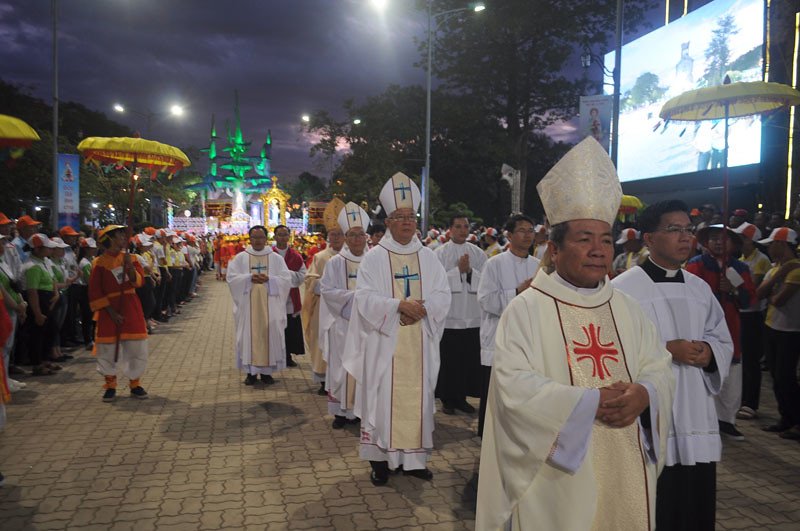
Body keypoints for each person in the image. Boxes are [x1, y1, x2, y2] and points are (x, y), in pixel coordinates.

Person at [476, 137, 674, 531]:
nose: (599, 250)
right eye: (585, 240)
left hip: (626, 461)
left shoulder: (626, 307)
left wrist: (645, 393)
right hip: (557, 475)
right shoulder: (527, 308)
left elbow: (659, 365)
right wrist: (587, 404)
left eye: (605, 239)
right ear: (554, 247)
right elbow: (513, 388)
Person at [613, 200, 734, 531]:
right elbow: (614, 350)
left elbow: (721, 339)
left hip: (696, 411)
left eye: (688, 230)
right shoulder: (623, 289)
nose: (685, 237)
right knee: (657, 508)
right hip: (653, 416)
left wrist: (708, 353)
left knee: (695, 508)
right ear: (649, 238)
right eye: (674, 229)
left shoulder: (699, 288)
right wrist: (668, 350)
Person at [342, 172, 450, 486]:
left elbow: (443, 295)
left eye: (411, 217)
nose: (406, 222)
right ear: (387, 222)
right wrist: (399, 307)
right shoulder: (374, 259)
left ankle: (413, 461)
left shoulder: (429, 258)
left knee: (417, 400)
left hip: (419, 341)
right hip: (384, 343)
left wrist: (423, 309)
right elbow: (364, 298)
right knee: (382, 399)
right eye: (399, 217)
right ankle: (379, 461)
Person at [687, 225, 756, 440]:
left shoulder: (740, 268)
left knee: (732, 375)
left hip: (732, 326)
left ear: (733, 244)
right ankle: (705, 420)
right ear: (706, 242)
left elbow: (748, 299)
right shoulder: (695, 265)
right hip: (703, 328)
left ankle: (727, 421)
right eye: (714, 238)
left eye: (723, 239)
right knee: (705, 372)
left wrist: (734, 290)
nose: (718, 242)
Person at [475, 214, 540, 438]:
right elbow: (485, 300)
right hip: (499, 338)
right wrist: (516, 293)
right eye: (522, 230)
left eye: (531, 230)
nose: (527, 235)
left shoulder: (538, 266)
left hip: (527, 340)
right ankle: (488, 448)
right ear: (509, 235)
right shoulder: (494, 264)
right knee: (495, 399)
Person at [319, 202, 370, 428]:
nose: (357, 239)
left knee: (365, 367)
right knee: (342, 367)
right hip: (342, 324)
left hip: (368, 326)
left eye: (361, 235)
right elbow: (327, 291)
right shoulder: (335, 263)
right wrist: (354, 298)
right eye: (352, 235)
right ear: (346, 238)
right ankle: (341, 412)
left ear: (366, 237)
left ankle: (361, 411)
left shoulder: (375, 260)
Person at [89, 225, 149, 402]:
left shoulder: (132, 258)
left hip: (130, 306)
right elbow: (95, 292)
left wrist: (130, 268)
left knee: (136, 347)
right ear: (109, 239)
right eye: (119, 235)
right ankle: (110, 385)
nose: (124, 237)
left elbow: (138, 282)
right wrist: (111, 312)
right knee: (107, 349)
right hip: (109, 310)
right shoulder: (98, 263)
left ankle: (135, 383)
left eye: (124, 234)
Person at [434, 213, 486, 415]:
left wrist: (470, 272)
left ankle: (462, 398)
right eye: (458, 226)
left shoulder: (478, 253)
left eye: (465, 226)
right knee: (449, 360)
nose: (463, 230)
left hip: (472, 315)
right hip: (450, 316)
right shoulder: (439, 253)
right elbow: (436, 283)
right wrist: (457, 271)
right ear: (450, 229)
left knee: (467, 360)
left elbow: (486, 281)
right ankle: (448, 399)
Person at [227, 225, 291, 386]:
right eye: (254, 237)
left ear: (266, 238)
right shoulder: (241, 257)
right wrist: (249, 278)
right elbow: (232, 278)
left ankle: (267, 373)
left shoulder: (276, 258)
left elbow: (285, 279)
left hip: (271, 306)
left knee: (270, 334)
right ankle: (250, 373)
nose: (258, 241)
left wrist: (270, 279)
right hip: (248, 307)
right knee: (248, 337)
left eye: (261, 237)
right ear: (250, 238)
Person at [756, 227, 800, 440]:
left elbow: (776, 300)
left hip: (790, 331)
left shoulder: (796, 271)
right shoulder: (777, 269)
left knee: (786, 377)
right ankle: (786, 419)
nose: (769, 249)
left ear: (782, 245)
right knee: (776, 376)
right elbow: (760, 294)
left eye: (772, 244)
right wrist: (778, 277)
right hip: (772, 326)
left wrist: (773, 286)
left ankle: (797, 421)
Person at [303, 205, 345, 394]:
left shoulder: (354, 257)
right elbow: (310, 279)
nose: (335, 238)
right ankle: (323, 378)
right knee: (323, 338)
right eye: (332, 234)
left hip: (346, 307)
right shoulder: (320, 257)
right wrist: (324, 284)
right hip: (324, 306)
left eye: (339, 234)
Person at [733, 222, 771, 420]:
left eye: (741, 238)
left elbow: (753, 287)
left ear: (750, 240)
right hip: (741, 312)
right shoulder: (741, 259)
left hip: (752, 314)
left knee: (750, 360)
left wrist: (736, 285)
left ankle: (751, 403)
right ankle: (741, 399)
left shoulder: (761, 260)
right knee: (741, 358)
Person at [272, 225, 306, 368]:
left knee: (290, 328)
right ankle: (274, 355)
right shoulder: (269, 255)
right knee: (275, 327)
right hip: (273, 297)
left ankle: (288, 355)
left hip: (290, 298)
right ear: (274, 237)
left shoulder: (296, 256)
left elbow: (302, 276)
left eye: (285, 234)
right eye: (279, 235)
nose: (282, 237)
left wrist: (285, 276)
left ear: (289, 236)